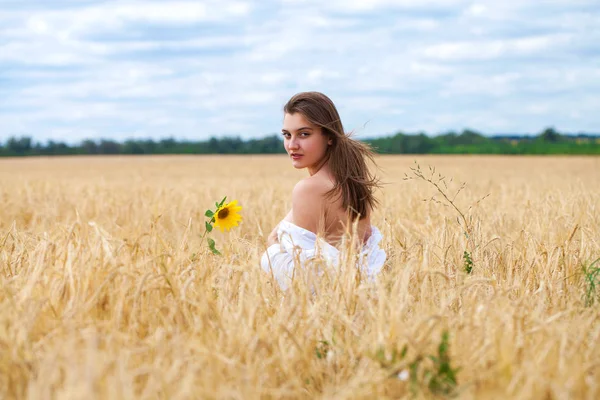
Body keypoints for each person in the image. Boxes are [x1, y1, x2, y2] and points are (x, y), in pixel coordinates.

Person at [260, 91, 386, 290]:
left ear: (329, 136)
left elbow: (303, 280)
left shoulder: (310, 189)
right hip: (358, 309)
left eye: (304, 134)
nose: (292, 145)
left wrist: (273, 249)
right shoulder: (350, 182)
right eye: (287, 135)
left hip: (320, 314)